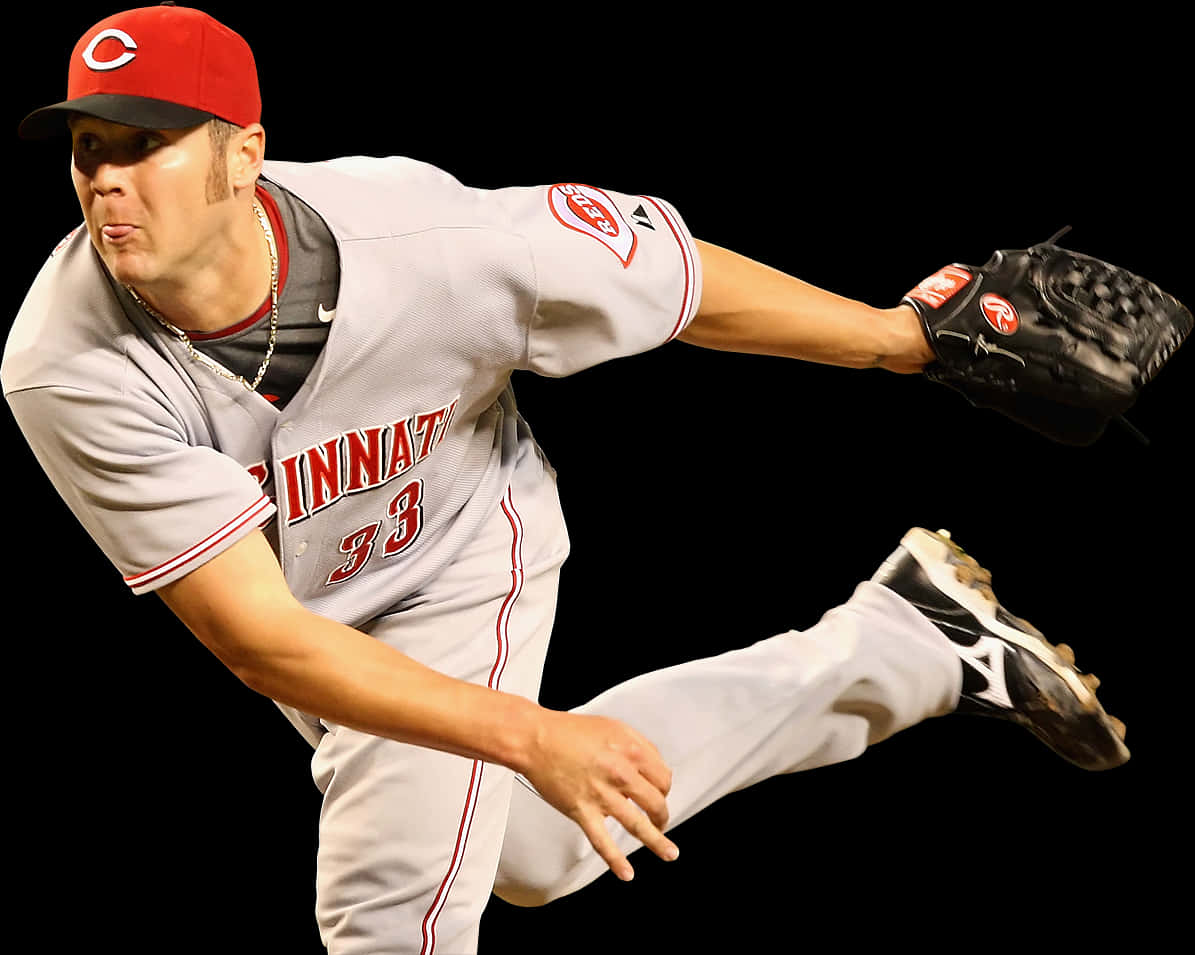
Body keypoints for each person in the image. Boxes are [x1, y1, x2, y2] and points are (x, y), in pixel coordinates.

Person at [4, 5, 1155, 953]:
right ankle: (906, 641)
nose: (109, 178)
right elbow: (263, 643)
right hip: (317, 620)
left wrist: (896, 338)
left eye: (146, 142)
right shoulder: (68, 366)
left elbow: (675, 280)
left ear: (242, 154)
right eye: (88, 147)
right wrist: (533, 736)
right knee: (538, 850)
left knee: (392, 907)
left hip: (462, 552)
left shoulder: (429, 239)